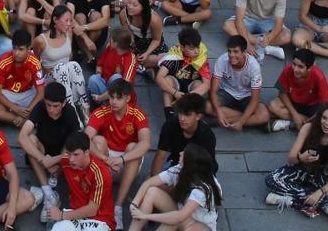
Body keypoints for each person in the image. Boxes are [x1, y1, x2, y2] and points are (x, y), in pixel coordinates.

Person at [85, 78, 152, 228]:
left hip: (126, 164)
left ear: (128, 98)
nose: (114, 101)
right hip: (106, 162)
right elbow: (85, 138)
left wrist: (121, 159)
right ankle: (101, 201)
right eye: (111, 97)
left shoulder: (137, 113)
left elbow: (146, 143)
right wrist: (105, 158)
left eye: (118, 98)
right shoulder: (101, 112)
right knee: (99, 140)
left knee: (133, 147)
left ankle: (118, 207)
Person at [264, 100, 328, 216]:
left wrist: (320, 192)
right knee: (272, 179)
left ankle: (290, 201)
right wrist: (301, 158)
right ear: (319, 118)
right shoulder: (308, 128)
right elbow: (290, 159)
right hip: (301, 170)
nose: (327, 123)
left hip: (321, 176)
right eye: (324, 118)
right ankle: (316, 203)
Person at [126, 144, 222, 231]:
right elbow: (149, 183)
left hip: (199, 224)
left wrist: (146, 216)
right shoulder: (180, 169)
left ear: (189, 163)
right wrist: (134, 203)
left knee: (173, 221)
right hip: (181, 214)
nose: (180, 153)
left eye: (184, 153)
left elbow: (179, 217)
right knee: (152, 192)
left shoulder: (202, 189)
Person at [45, 131, 117, 231]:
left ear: (87, 152)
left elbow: (92, 210)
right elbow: (49, 161)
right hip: (74, 217)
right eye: (69, 154)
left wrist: (61, 215)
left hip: (99, 220)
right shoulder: (67, 160)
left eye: (76, 154)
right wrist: (53, 160)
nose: (71, 159)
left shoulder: (100, 173)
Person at [223, 0, 289, 60]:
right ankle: (267, 48)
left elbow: (279, 24)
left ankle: (256, 43)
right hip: (248, 18)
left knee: (286, 37)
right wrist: (246, 44)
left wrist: (269, 38)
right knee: (227, 26)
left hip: (268, 20)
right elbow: (239, 20)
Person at [209, 34, 270, 131]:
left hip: (246, 96)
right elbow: (213, 91)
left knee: (264, 116)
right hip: (226, 92)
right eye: (229, 51)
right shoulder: (222, 60)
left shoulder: (254, 67)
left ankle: (219, 121)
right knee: (208, 106)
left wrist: (241, 122)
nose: (231, 55)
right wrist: (219, 112)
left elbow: (254, 100)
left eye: (236, 52)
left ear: (244, 52)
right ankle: (248, 119)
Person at [150, 93, 217, 176]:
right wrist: (153, 179)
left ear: (198, 116)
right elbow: (160, 155)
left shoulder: (206, 136)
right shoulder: (170, 125)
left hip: (198, 171)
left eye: (187, 114)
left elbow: (209, 166)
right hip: (175, 164)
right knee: (149, 183)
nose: (182, 118)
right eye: (180, 113)